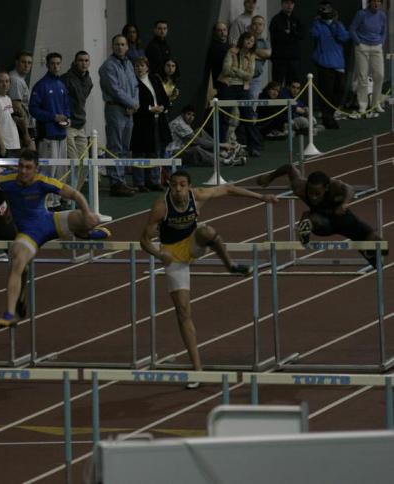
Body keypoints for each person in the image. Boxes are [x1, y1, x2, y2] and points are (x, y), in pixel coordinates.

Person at [140, 170, 277, 380]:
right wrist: (159, 254)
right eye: (174, 185)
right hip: (173, 255)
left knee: (207, 231)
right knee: (183, 311)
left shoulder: (199, 195)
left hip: (194, 245)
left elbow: (229, 189)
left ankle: (230, 265)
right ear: (169, 186)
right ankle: (197, 370)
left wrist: (261, 197)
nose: (178, 189)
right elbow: (144, 240)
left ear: (189, 186)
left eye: (182, 184)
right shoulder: (161, 207)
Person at [0, 149, 111, 328]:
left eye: (28, 167)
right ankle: (10, 313)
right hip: (29, 234)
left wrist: (87, 212)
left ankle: (84, 232)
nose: (23, 171)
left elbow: (75, 194)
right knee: (17, 262)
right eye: (21, 166)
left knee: (91, 219)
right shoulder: (9, 181)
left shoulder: (42, 181)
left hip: (49, 222)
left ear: (36, 169)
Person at [257, 164, 388, 267]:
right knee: (310, 217)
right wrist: (269, 177)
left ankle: (369, 252)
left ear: (326, 188)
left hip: (344, 219)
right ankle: (305, 230)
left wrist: (345, 204)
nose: (313, 197)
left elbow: (350, 188)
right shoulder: (300, 187)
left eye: (317, 194)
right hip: (322, 223)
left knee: (382, 247)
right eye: (310, 192)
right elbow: (289, 168)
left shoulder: (335, 186)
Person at [29, 52, 70, 210]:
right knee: (48, 171)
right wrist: (53, 117)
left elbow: (66, 107)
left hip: (62, 135)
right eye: (52, 63)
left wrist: (68, 118)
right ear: (47, 65)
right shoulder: (41, 85)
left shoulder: (61, 85)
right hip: (48, 136)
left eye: (58, 63)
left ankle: (58, 201)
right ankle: (46, 203)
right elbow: (33, 109)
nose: (56, 66)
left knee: (61, 170)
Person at [99, 34, 138, 197]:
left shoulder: (128, 64)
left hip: (129, 112)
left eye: (123, 44)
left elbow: (135, 85)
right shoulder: (108, 66)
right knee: (115, 147)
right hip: (115, 109)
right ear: (112, 46)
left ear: (127, 47)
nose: (120, 47)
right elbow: (115, 90)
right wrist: (130, 103)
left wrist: (135, 104)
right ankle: (116, 182)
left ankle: (122, 180)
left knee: (124, 148)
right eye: (117, 44)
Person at [218, 32, 263, 157]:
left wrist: (236, 70)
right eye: (247, 39)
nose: (249, 42)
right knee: (224, 118)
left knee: (248, 117)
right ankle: (222, 147)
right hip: (228, 86)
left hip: (243, 88)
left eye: (252, 40)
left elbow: (250, 75)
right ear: (242, 39)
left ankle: (254, 147)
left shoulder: (251, 55)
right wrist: (241, 72)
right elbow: (226, 69)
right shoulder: (231, 51)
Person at [130, 56, 170, 192]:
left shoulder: (155, 79)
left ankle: (154, 180)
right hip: (141, 121)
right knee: (140, 152)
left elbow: (164, 97)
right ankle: (139, 182)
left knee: (155, 151)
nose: (139, 68)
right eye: (136, 66)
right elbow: (133, 102)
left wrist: (162, 107)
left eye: (142, 65)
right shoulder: (132, 82)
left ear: (147, 67)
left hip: (157, 120)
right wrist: (149, 109)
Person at [310, 1, 349, 129]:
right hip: (324, 62)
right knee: (326, 92)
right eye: (323, 10)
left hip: (338, 62)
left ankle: (330, 115)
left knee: (340, 90)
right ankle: (328, 118)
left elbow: (344, 37)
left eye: (327, 10)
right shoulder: (317, 25)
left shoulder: (338, 24)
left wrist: (336, 24)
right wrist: (317, 22)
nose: (326, 13)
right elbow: (313, 35)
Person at [61, 51, 93, 190]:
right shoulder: (65, 79)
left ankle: (73, 196)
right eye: (80, 60)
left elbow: (82, 101)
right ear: (75, 62)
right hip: (68, 126)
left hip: (81, 125)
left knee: (85, 164)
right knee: (73, 163)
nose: (83, 63)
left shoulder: (88, 80)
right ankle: (63, 194)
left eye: (86, 60)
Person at [349, 0, 387, 118]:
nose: (376, 4)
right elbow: (352, 29)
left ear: (380, 3)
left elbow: (384, 32)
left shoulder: (382, 15)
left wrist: (381, 42)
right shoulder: (361, 14)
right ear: (370, 2)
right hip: (362, 47)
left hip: (377, 47)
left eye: (378, 2)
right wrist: (359, 42)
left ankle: (376, 103)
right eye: (374, 1)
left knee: (379, 75)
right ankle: (363, 105)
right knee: (363, 76)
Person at [269, 0, 304, 86]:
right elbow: (275, 36)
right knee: (277, 83)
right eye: (287, 3)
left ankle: (292, 100)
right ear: (282, 4)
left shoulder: (297, 19)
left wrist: (291, 32)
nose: (289, 5)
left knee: (293, 84)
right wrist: (290, 35)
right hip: (279, 58)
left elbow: (302, 35)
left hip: (294, 58)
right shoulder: (276, 19)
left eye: (291, 3)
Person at [9, 52, 36, 150]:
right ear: (17, 63)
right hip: (22, 128)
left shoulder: (19, 79)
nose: (26, 65)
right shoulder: (16, 80)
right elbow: (17, 107)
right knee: (30, 159)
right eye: (23, 62)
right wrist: (25, 133)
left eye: (29, 63)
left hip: (25, 126)